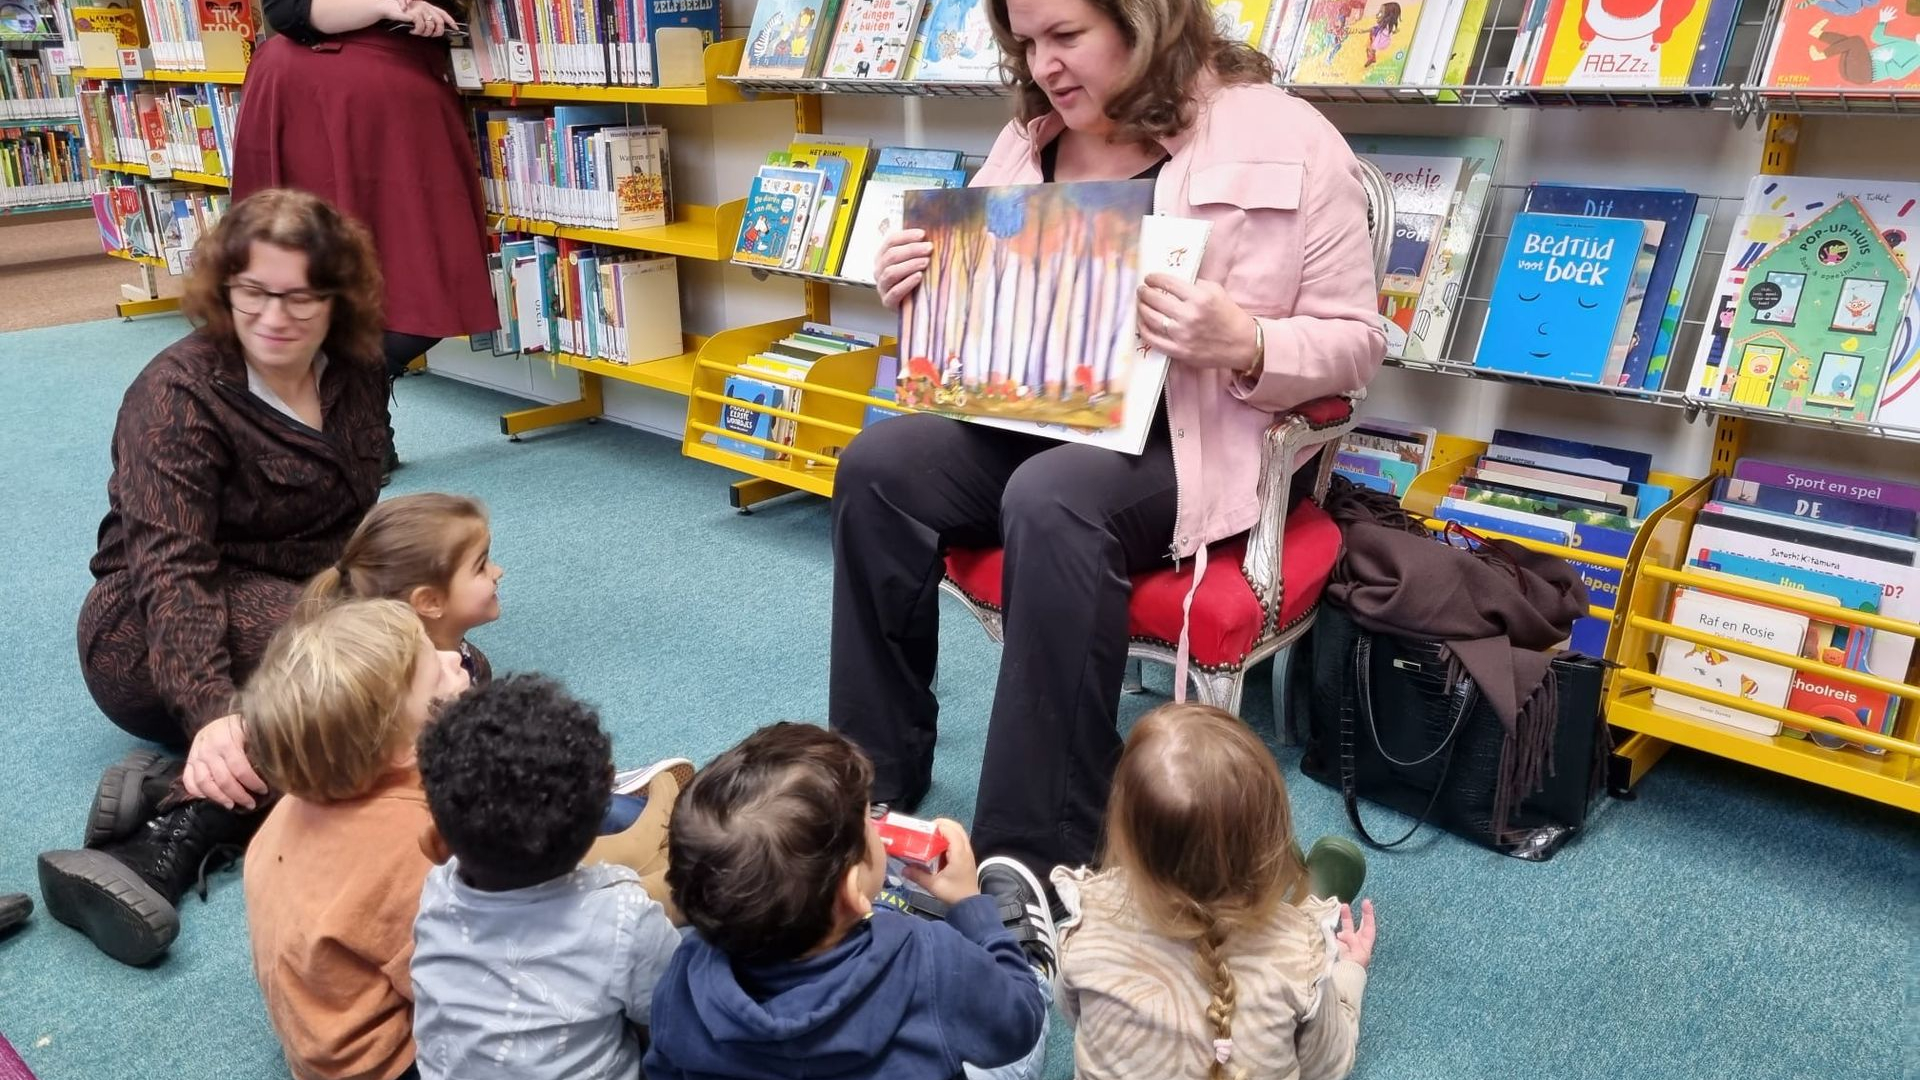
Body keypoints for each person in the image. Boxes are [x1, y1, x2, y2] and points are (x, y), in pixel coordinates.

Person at [829, 0, 1386, 891]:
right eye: (1027, 41)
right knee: (878, 467)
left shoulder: (1288, 134)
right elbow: (985, 303)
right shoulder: (1030, 134)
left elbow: (1358, 342)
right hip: (1035, 416)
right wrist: (912, 281)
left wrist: (1246, 340)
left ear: (1145, 19)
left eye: (1066, 37)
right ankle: (868, 787)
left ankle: (1030, 858)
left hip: (1195, 441)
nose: (1043, 63)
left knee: (1052, 497)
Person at [39, 187, 390, 966]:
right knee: (375, 681)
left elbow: (356, 514)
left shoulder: (358, 369)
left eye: (302, 295)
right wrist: (210, 713)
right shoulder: (176, 394)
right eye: (254, 292)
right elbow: (173, 573)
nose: (275, 317)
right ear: (224, 288)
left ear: (338, 296)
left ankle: (175, 794)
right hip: (146, 628)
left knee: (447, 673)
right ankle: (162, 844)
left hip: (291, 604)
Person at [644, 722, 1054, 1080]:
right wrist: (971, 906)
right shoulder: (929, 959)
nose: (878, 827)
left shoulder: (684, 976)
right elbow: (1016, 1027)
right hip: (982, 1004)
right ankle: (1033, 963)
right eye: (869, 822)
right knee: (1026, 994)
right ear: (854, 892)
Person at [236, 0, 500, 470]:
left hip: (389, 92)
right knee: (307, 265)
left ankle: (343, 412)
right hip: (305, 89)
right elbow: (287, 11)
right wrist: (386, 4)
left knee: (428, 267)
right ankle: (350, 426)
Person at [1050, 703, 1377, 1080]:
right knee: (1305, 958)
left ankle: (1311, 901)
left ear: (1124, 838)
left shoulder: (1092, 921)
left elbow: (1073, 1013)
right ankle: (1315, 904)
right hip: (1295, 951)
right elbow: (1328, 1067)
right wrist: (1349, 972)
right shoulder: (1298, 954)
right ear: (1267, 843)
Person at [240, 598, 471, 1080]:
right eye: (438, 677)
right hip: (388, 1064)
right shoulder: (412, 848)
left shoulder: (293, 805)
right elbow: (461, 983)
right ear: (405, 748)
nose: (457, 661)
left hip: (317, 1032)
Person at [411, 674, 684, 1080]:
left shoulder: (438, 893)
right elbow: (666, 1017)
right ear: (597, 825)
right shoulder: (624, 916)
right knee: (696, 952)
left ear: (436, 846)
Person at [304, 492, 504, 684]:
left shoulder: (457, 659)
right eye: (480, 567)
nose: (497, 571)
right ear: (430, 602)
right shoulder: (424, 696)